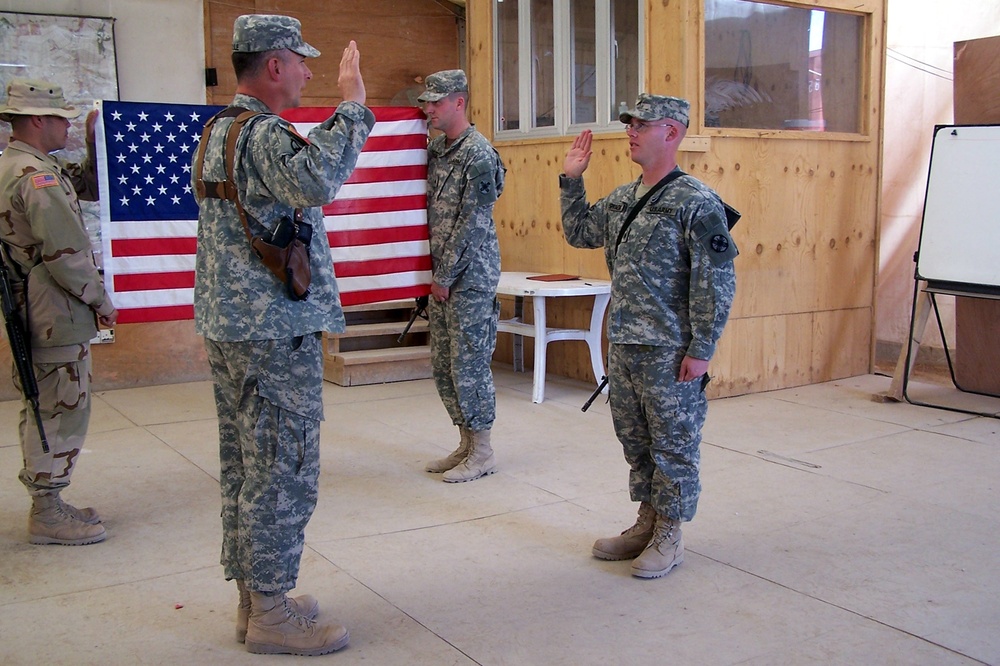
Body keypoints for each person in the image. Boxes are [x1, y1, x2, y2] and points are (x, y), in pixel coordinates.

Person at [192, 15, 373, 656]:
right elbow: (319, 180)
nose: (308, 71)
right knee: (282, 468)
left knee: (246, 465)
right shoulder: (264, 133)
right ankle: (270, 614)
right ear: (273, 66)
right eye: (300, 60)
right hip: (270, 332)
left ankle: (255, 597)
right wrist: (353, 107)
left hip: (231, 325)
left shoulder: (219, 129)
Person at [559, 94, 737, 579]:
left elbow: (716, 281)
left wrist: (702, 348)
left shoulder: (696, 202)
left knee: (673, 443)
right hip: (626, 345)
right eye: (630, 124)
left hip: (671, 350)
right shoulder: (622, 198)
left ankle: (670, 535)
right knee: (635, 441)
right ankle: (647, 520)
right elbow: (579, 233)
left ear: (672, 133)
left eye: (643, 124)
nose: (631, 131)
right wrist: (572, 180)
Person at [0, 78, 118, 547]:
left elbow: (86, 185)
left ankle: (48, 500)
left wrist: (94, 141)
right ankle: (46, 511)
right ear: (35, 120)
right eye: (60, 120)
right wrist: (102, 300)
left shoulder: (22, 165)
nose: (65, 127)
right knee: (61, 404)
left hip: (36, 304)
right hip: (52, 307)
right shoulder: (36, 179)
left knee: (45, 400)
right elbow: (66, 253)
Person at [417, 70, 506, 483]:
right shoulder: (438, 150)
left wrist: (446, 275)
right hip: (442, 277)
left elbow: (472, 222)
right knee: (444, 366)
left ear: (459, 102)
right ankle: (465, 442)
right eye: (427, 102)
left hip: (469, 277)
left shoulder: (479, 154)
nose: (429, 109)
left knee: (469, 365)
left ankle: (483, 450)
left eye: (436, 102)